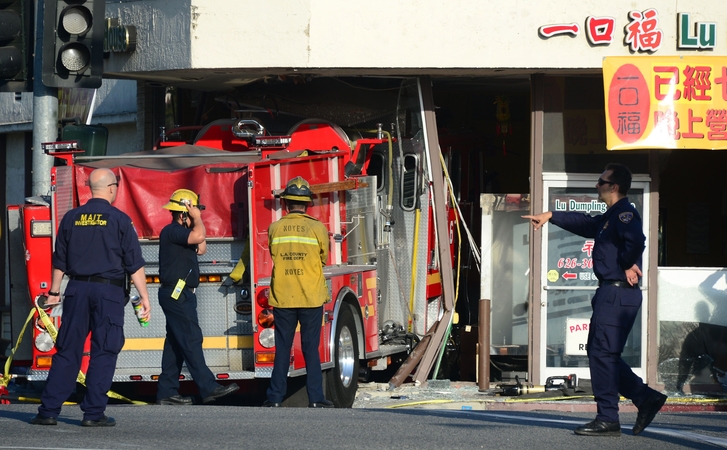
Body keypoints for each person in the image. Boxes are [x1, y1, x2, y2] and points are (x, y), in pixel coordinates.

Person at [523, 163, 667, 436]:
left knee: (602, 354)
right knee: (601, 353)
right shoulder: (611, 216)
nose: (596, 186)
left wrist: (626, 263)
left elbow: (636, 241)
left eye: (600, 182)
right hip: (612, 293)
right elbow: (588, 224)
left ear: (613, 186)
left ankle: (608, 418)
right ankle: (644, 398)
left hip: (617, 293)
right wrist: (551, 215)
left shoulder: (624, 214)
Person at [31, 168, 151, 427]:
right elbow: (134, 263)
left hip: (75, 291)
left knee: (67, 350)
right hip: (108, 293)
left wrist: (53, 293)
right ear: (111, 188)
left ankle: (48, 411)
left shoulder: (71, 218)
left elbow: (59, 260)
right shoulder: (120, 219)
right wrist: (144, 297)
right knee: (104, 351)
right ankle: (93, 414)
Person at [156, 189, 239, 405]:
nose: (197, 214)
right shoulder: (172, 231)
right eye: (192, 211)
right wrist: (197, 219)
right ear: (183, 212)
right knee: (191, 337)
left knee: (175, 342)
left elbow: (201, 247)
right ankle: (208, 387)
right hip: (176, 293)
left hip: (182, 293)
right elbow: (199, 237)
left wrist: (195, 221)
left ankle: (166, 391)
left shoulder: (184, 233)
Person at [263, 176, 333, 408]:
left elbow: (274, 255)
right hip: (311, 297)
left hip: (283, 297)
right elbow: (323, 257)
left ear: (285, 203)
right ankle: (315, 399)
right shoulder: (317, 228)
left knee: (282, 348)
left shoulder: (275, 228)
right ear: (307, 204)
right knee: (310, 348)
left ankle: (274, 398)